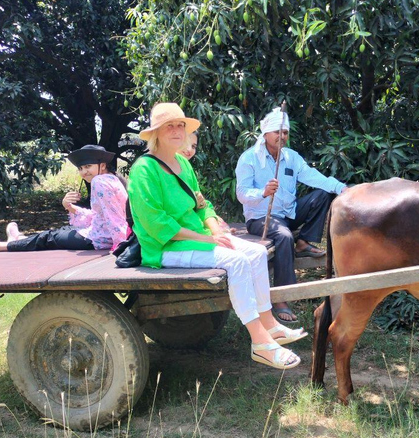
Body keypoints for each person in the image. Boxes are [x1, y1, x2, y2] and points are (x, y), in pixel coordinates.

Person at [128, 102, 306, 370]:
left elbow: (202, 205)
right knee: (236, 261)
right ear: (156, 133)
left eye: (180, 125)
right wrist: (208, 240)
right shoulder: (144, 170)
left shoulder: (181, 164)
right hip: (165, 247)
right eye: (170, 126)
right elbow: (156, 223)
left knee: (256, 252)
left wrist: (214, 229)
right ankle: (260, 343)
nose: (177, 131)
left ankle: (270, 324)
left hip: (198, 236)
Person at [235, 106, 347, 323]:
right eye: (277, 131)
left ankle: (304, 242)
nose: (282, 136)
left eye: (285, 132)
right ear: (266, 133)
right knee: (284, 236)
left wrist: (342, 188)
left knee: (323, 195)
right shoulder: (249, 158)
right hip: (261, 217)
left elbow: (314, 177)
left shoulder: (291, 158)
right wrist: (263, 192)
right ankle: (281, 299)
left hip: (287, 213)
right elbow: (242, 193)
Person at [0, 145, 129, 253]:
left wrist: (121, 245)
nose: (84, 172)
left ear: (102, 165)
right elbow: (100, 216)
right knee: (62, 231)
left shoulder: (99, 182)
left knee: (50, 237)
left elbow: (113, 217)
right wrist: (69, 206)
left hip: (100, 239)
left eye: (88, 167)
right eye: (81, 168)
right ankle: (19, 239)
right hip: (101, 234)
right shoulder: (112, 179)